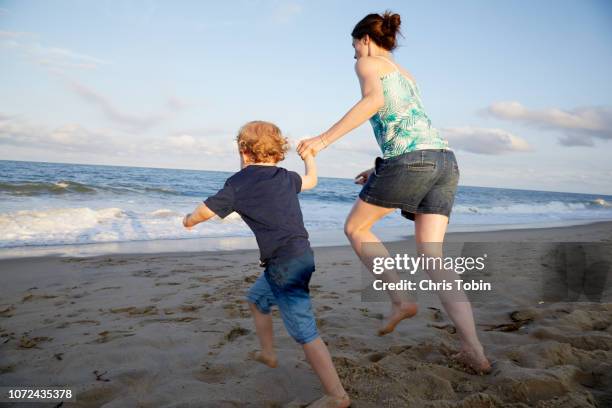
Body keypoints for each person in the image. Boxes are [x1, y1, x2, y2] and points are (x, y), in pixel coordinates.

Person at [297, 11, 491, 374]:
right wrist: (379, 167)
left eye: (354, 46)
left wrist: (322, 141)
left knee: (356, 229)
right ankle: (475, 351)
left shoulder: (369, 64)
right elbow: (411, 124)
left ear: (366, 40)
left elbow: (373, 103)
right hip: (445, 162)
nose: (354, 54)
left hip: (412, 160)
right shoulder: (407, 75)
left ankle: (400, 298)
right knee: (433, 257)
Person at [183, 121, 351, 407]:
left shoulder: (238, 183)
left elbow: (204, 211)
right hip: (300, 256)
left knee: (305, 332)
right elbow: (311, 181)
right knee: (257, 299)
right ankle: (268, 352)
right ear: (277, 153)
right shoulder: (285, 177)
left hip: (284, 265)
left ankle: (337, 396)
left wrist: (188, 220)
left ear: (243, 152)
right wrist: (310, 157)